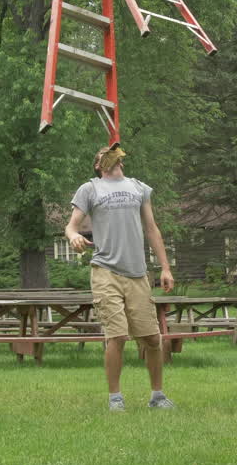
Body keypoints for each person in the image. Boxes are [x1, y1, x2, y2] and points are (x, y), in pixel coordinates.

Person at [65, 142, 176, 411]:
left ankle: (157, 396)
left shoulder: (139, 188)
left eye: (115, 155)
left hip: (137, 274)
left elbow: (151, 228)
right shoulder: (90, 188)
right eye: (105, 156)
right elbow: (70, 226)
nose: (112, 158)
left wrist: (165, 267)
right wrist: (75, 236)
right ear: (97, 164)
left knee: (152, 338)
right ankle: (116, 398)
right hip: (106, 271)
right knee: (117, 336)